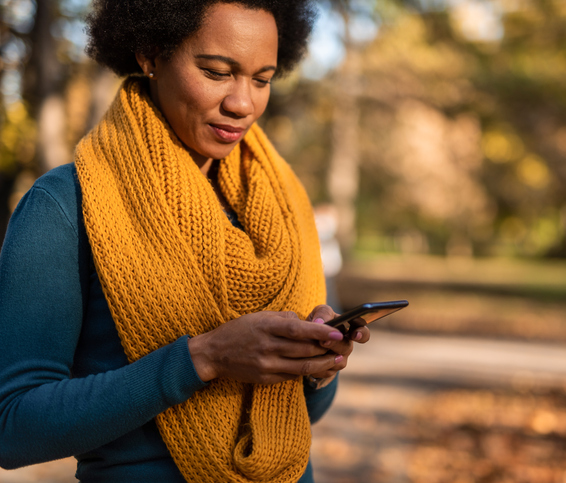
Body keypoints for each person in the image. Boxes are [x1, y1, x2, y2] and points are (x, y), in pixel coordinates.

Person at [0, 1, 369, 482]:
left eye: (262, 79)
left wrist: (317, 364)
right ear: (151, 54)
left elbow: (306, 415)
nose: (243, 103)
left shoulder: (281, 205)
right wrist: (204, 357)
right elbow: (12, 427)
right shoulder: (66, 204)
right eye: (217, 72)